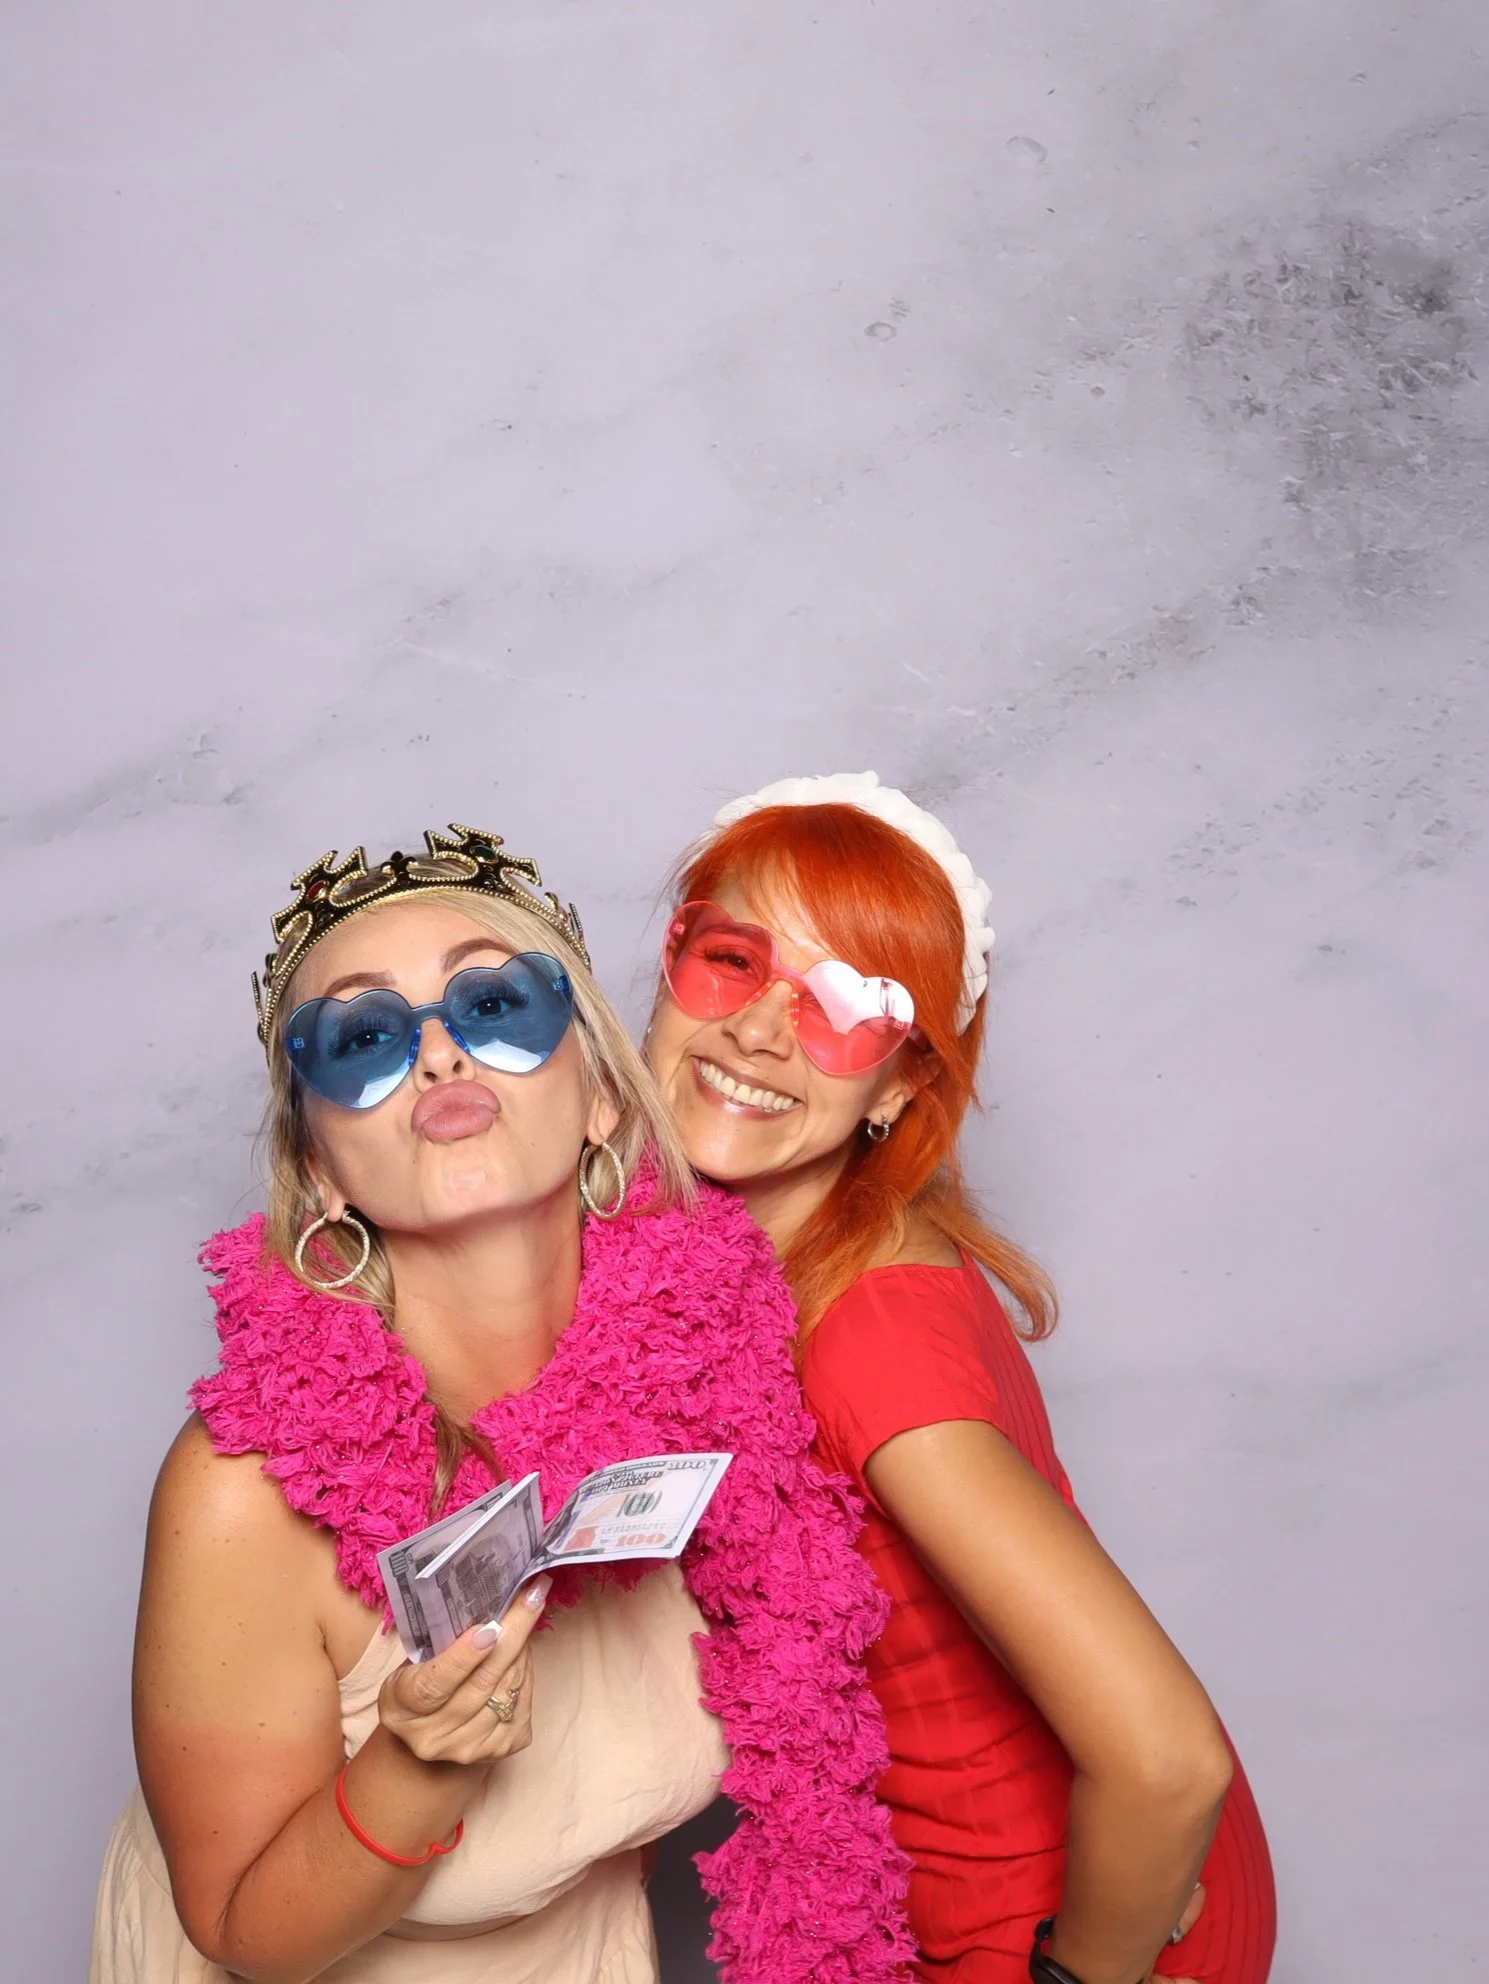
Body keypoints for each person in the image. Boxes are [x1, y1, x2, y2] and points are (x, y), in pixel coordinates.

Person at [91, 824, 915, 1984]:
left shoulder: (713, 1377)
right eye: (365, 1037)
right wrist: (413, 1763)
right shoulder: (245, 1490)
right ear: (322, 1168)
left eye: (493, 1007)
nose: (438, 1058)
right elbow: (238, 1929)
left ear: (596, 1099)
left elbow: (860, 1698)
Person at [645, 774, 1278, 1984]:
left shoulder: (867, 1337)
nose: (763, 1030)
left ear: (898, 1089)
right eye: (733, 961)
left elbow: (1164, 1757)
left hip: (1069, 1917)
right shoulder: (763, 1271)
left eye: (846, 1007)